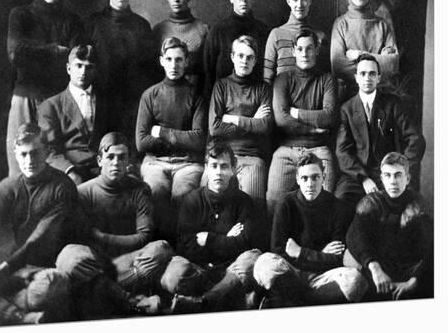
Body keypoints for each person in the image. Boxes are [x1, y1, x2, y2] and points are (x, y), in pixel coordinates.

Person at [54, 132, 173, 318]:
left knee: (161, 250)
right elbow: (80, 239)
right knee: (68, 257)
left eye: (121, 157)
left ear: (129, 162)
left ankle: (101, 294)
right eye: (110, 157)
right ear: (100, 160)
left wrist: (101, 237)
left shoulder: (140, 189)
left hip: (127, 263)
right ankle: (130, 301)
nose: (116, 162)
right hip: (94, 263)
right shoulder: (83, 193)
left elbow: (144, 236)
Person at [0, 123, 77, 325]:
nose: (29, 160)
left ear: (47, 152)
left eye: (35, 153)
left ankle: (7, 305)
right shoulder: (8, 187)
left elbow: (38, 240)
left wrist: (0, 271)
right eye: (23, 154)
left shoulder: (62, 186)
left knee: (48, 288)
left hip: (54, 268)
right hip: (19, 270)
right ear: (15, 154)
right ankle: (25, 316)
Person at [159, 139, 266, 313]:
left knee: (251, 261)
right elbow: (185, 247)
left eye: (224, 166)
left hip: (231, 269)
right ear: (207, 168)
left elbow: (245, 244)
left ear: (233, 168)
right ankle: (228, 296)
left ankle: (202, 302)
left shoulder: (244, 202)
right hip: (199, 269)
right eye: (214, 166)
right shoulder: (192, 200)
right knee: (172, 276)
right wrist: (227, 239)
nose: (219, 172)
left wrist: (209, 238)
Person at [253, 153, 367, 307]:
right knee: (263, 264)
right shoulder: (286, 203)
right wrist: (321, 254)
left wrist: (300, 252)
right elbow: (278, 250)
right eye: (305, 178)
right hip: (292, 272)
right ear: (298, 180)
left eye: (315, 177)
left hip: (323, 276)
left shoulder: (338, 207)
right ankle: (312, 300)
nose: (310, 183)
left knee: (355, 281)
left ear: (323, 177)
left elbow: (337, 258)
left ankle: (295, 300)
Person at [6, 0, 84, 176]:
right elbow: (16, 54)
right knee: (20, 165)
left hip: (56, 100)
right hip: (26, 97)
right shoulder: (21, 15)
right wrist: (54, 51)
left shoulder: (72, 21)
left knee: (54, 163)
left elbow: (75, 59)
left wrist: (36, 53)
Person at [136, 37, 207, 243]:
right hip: (155, 163)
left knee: (183, 195)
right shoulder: (150, 95)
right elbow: (141, 142)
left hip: (188, 163)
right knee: (155, 192)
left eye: (179, 60)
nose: (174, 65)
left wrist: (163, 132)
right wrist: (180, 138)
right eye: (169, 59)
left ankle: (182, 248)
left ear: (186, 62)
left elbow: (198, 140)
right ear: (161, 61)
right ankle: (157, 248)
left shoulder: (196, 96)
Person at [335, 54, 425, 210]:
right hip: (357, 175)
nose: (367, 78)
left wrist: (401, 170)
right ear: (356, 77)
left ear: (379, 78)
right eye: (363, 73)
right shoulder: (347, 109)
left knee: (406, 208)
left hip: (388, 173)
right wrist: (363, 179)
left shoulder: (393, 103)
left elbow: (415, 139)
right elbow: (342, 151)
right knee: (341, 199)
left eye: (372, 73)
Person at [86, 0, 158, 148]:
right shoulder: (92, 24)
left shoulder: (141, 26)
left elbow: (150, 71)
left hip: (132, 105)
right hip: (100, 103)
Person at [267, 29, 338, 216]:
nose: (305, 54)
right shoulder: (283, 79)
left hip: (319, 149)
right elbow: (282, 120)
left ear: (316, 50)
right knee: (273, 202)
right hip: (286, 150)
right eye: (300, 49)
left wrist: (296, 112)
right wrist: (314, 129)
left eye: (309, 48)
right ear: (293, 51)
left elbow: (329, 117)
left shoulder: (327, 80)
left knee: (326, 201)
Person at [344, 152, 433, 300]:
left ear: (408, 178)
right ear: (382, 178)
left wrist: (414, 281)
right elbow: (355, 237)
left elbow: (433, 248)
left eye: (398, 175)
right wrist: (374, 267)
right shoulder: (370, 202)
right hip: (378, 269)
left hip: (409, 271)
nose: (393, 181)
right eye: (388, 175)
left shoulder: (419, 205)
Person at [208, 35, 273, 211]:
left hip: (252, 157)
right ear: (232, 57)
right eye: (240, 56)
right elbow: (215, 128)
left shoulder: (263, 89)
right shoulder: (221, 86)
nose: (244, 61)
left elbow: (265, 127)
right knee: (210, 202)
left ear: (255, 61)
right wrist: (252, 122)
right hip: (221, 155)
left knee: (252, 206)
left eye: (250, 57)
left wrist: (233, 119)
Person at [38, 45, 110, 186]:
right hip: (70, 171)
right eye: (78, 66)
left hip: (103, 170)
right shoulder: (51, 105)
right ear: (68, 69)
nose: (83, 72)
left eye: (89, 67)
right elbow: (49, 150)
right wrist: (69, 172)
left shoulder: (106, 101)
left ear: (95, 71)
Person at [331, 0, 399, 100]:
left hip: (380, 95)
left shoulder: (382, 25)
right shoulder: (340, 24)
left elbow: (393, 64)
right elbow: (338, 66)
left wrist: (359, 55)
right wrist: (379, 61)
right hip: (349, 96)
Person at [203, 0, 270, 98]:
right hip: (224, 100)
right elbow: (208, 74)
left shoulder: (264, 31)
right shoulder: (217, 31)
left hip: (256, 99)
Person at [263, 0, 328, 84]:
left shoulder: (320, 36)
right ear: (288, 2)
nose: (300, 5)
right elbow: (267, 77)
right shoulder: (276, 34)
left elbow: (324, 78)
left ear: (310, 1)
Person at [153, 0, 209, 93]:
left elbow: (208, 74)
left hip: (195, 99)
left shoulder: (203, 30)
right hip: (165, 99)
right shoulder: (158, 31)